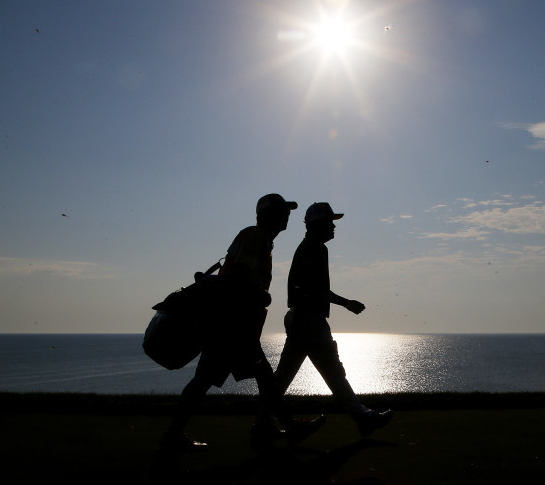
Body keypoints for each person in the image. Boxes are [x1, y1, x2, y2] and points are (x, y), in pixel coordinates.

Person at [160, 193, 324, 451]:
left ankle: (176, 434)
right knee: (255, 378)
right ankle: (287, 428)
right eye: (282, 211)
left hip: (231, 324)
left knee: (220, 380)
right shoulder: (256, 236)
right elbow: (238, 276)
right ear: (267, 215)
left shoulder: (260, 239)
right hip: (233, 325)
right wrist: (260, 294)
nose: (287, 216)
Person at [272, 202, 393, 437]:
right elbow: (315, 289)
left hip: (305, 319)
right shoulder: (314, 248)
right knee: (330, 372)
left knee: (290, 376)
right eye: (330, 222)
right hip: (309, 321)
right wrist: (346, 303)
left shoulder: (312, 247)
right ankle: (363, 417)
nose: (334, 227)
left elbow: (313, 289)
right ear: (319, 225)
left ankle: (263, 423)